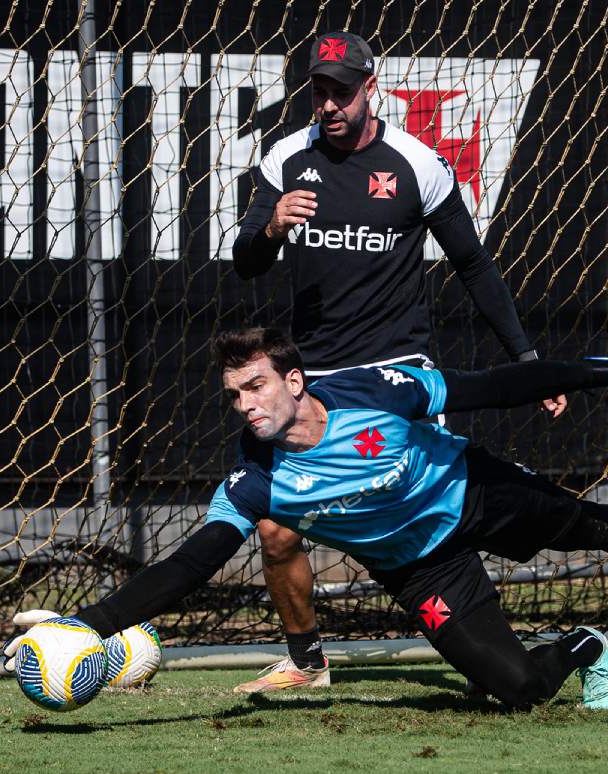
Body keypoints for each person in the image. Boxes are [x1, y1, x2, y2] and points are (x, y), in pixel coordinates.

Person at [7, 328, 608, 711]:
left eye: (255, 388)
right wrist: (90, 624)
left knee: (600, 528)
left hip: (470, 491)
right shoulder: (254, 479)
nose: (246, 407)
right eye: (234, 395)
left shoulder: (377, 390)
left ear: (295, 380)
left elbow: (494, 386)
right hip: (419, 567)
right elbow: (190, 564)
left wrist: (607, 369)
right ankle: (581, 648)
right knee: (515, 692)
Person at [229, 30, 565, 692]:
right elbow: (246, 261)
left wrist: (526, 360)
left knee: (432, 530)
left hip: (396, 379)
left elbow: (473, 264)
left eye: (342, 92)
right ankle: (306, 662)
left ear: (370, 88)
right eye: (320, 91)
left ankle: (497, 654)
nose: (329, 104)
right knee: (275, 529)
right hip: (312, 383)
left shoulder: (417, 163)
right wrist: (270, 229)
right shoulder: (286, 159)